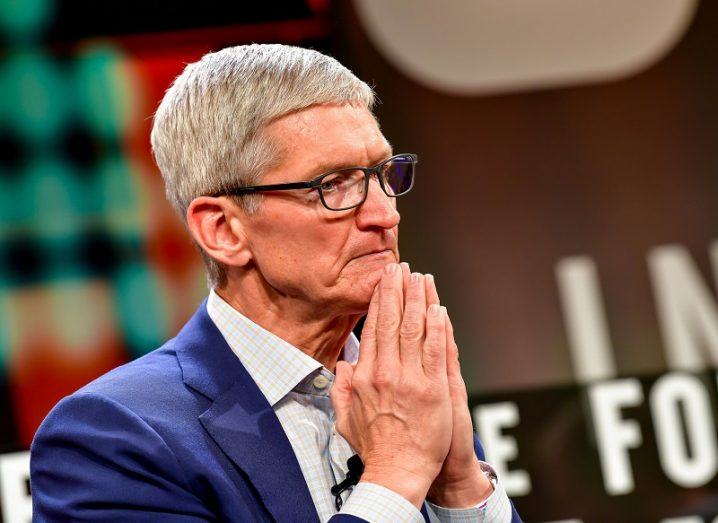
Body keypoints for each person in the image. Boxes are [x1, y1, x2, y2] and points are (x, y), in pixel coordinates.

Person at [30, 44, 521, 522]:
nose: (384, 213)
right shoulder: (114, 440)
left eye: (383, 174)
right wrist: (397, 475)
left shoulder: (405, 387)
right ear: (223, 231)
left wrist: (458, 484)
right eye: (333, 185)